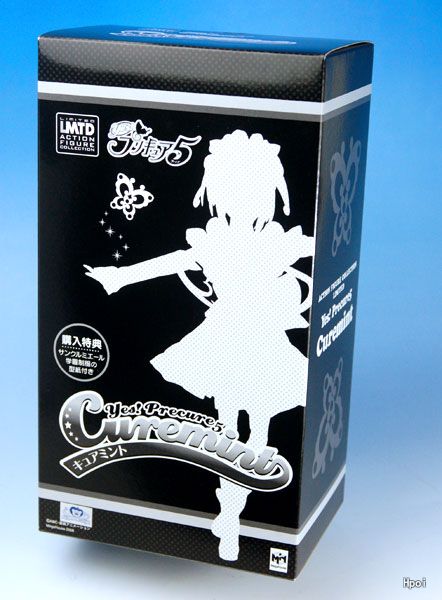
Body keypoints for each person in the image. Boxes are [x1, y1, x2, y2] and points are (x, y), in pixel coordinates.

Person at [85, 129, 314, 561]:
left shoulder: (276, 240)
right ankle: (229, 516)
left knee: (257, 431)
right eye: (233, 190)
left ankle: (233, 513)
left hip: (262, 340)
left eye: (253, 192)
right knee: (229, 432)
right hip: (225, 338)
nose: (243, 201)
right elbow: (174, 261)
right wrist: (120, 276)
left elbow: (319, 249)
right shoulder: (214, 240)